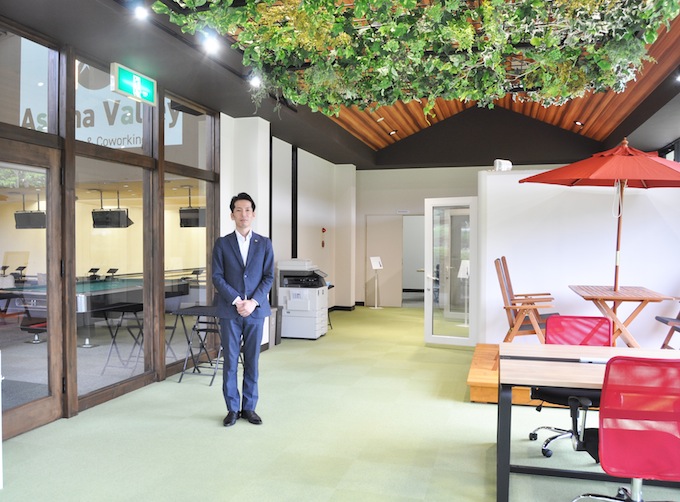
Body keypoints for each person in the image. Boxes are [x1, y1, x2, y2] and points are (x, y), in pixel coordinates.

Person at [212, 192, 274, 427]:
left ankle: (249, 407)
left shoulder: (264, 243)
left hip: (255, 312)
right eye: (238, 210)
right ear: (232, 215)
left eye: (247, 210)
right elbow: (217, 277)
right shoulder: (222, 243)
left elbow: (268, 277)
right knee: (230, 362)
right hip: (231, 311)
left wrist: (253, 302)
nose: (243, 214)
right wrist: (238, 300)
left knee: (252, 360)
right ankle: (232, 409)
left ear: (253, 214)